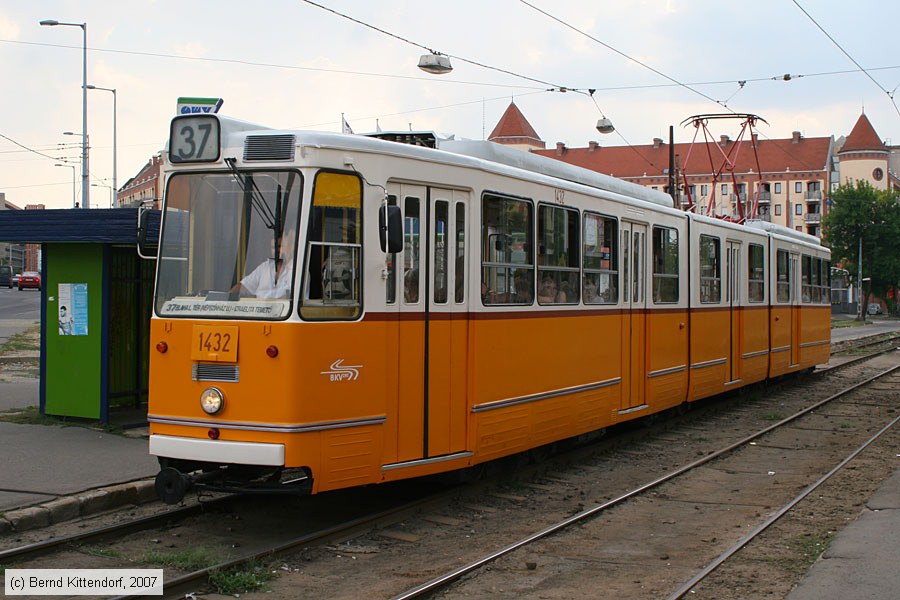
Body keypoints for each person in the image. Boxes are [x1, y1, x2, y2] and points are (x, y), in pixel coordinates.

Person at [235, 228, 295, 299]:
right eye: (273, 248)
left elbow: (297, 300)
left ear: (290, 247)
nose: (276, 251)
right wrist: (226, 299)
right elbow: (244, 286)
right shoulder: (265, 267)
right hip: (260, 308)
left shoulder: (297, 270)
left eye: (280, 247)